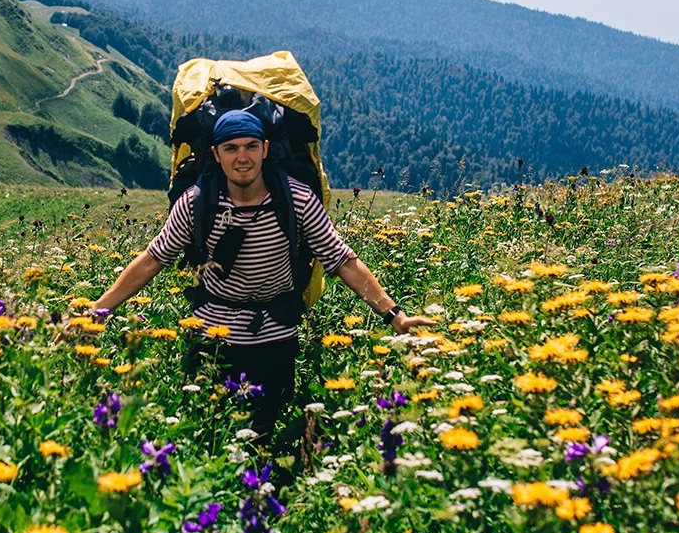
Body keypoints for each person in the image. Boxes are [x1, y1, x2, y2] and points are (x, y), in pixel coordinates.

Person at [89, 108, 432, 439]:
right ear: (216, 154)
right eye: (232, 148)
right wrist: (96, 313)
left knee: (264, 436)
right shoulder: (197, 203)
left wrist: (394, 315)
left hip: (275, 337)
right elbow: (152, 259)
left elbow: (342, 260)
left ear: (266, 149)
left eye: (251, 146)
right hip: (212, 338)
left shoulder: (296, 200)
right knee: (210, 434)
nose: (243, 157)